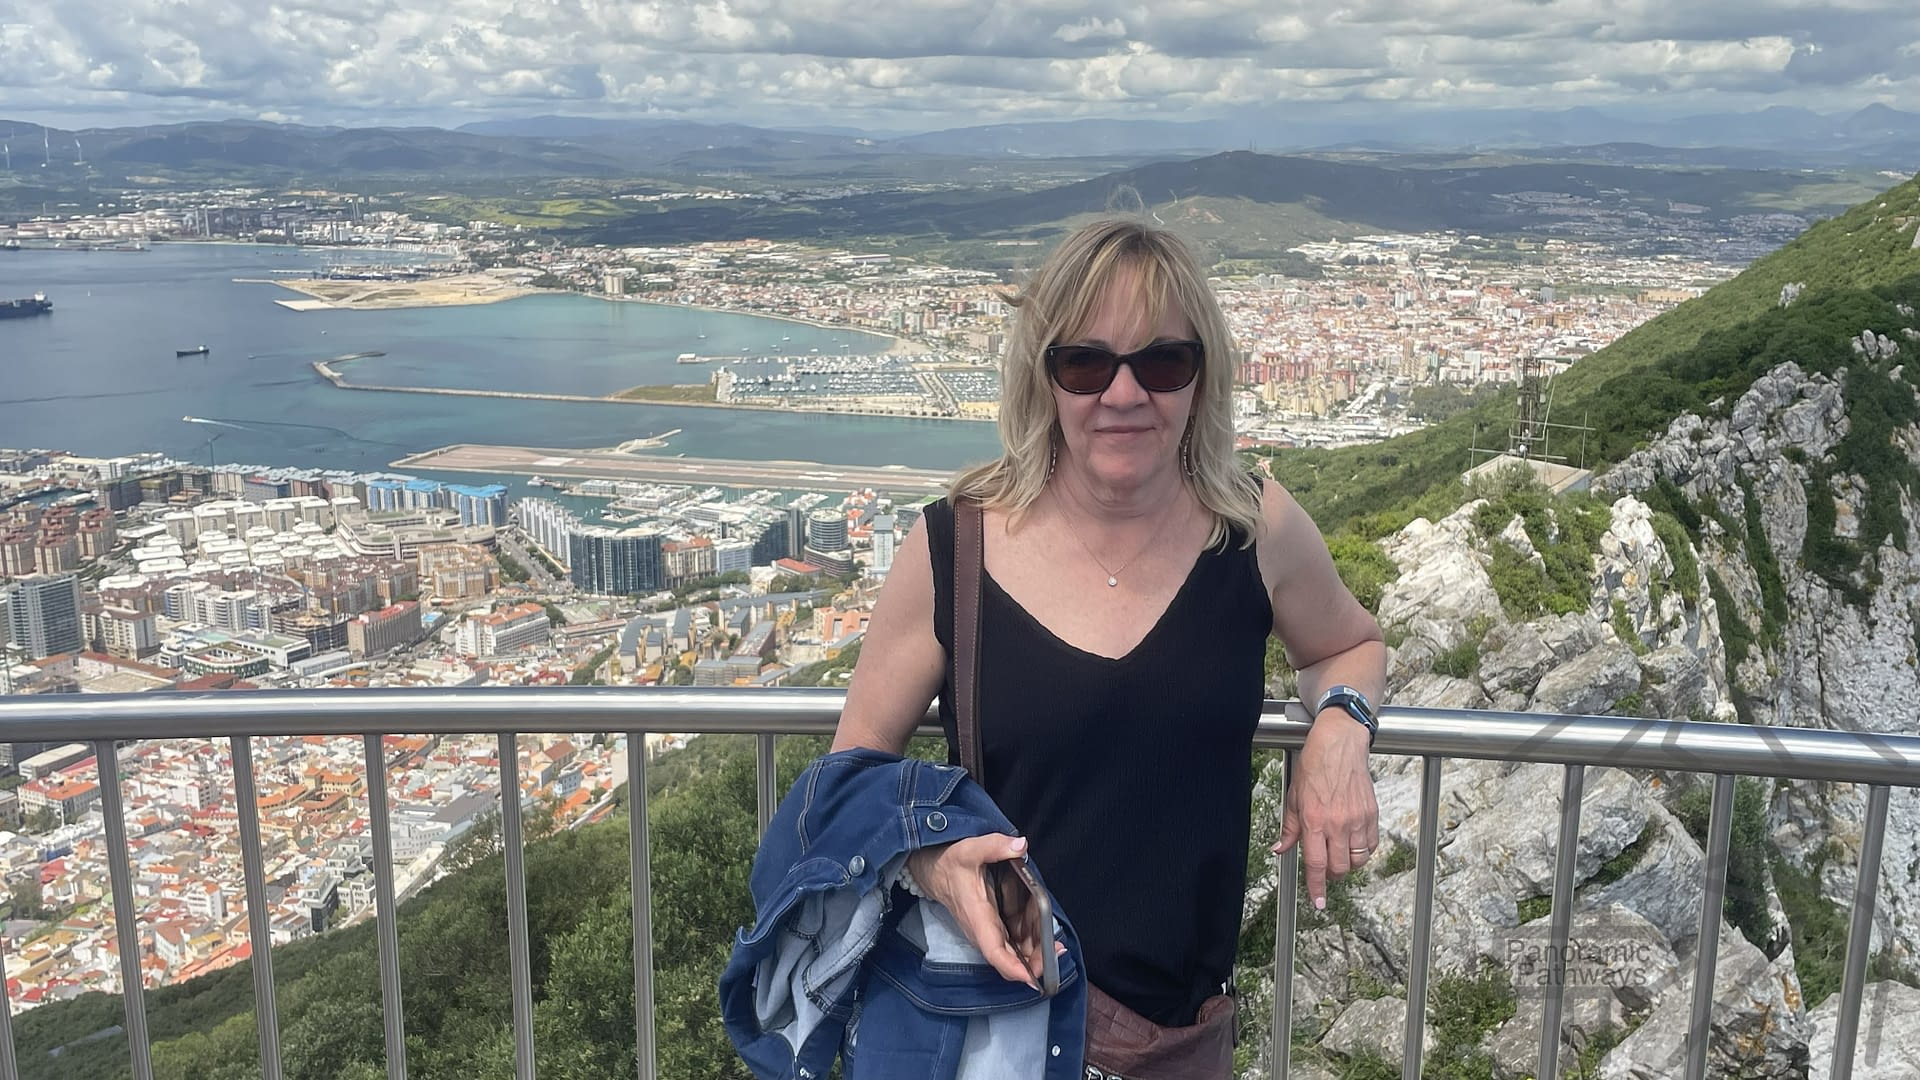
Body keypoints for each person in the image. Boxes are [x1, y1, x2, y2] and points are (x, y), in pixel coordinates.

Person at [830, 218, 1384, 1065]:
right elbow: (855, 771)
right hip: (991, 1023)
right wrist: (937, 862)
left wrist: (1341, 727)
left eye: (1162, 362)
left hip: (1176, 1039)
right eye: (1086, 364)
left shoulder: (1252, 527)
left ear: (1203, 378)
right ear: (1044, 377)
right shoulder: (955, 548)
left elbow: (1346, 645)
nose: (1123, 396)